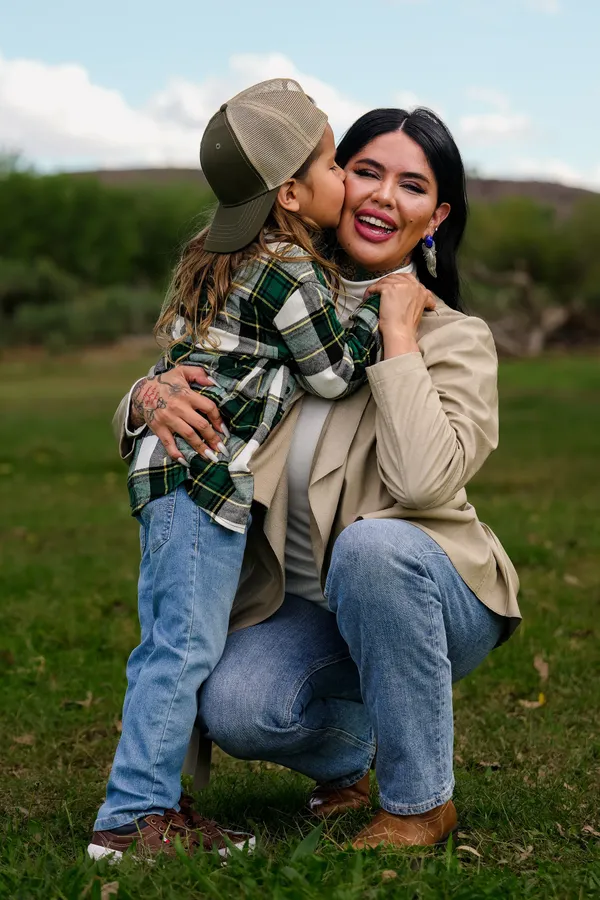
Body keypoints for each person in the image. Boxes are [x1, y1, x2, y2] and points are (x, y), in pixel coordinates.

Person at [112, 105, 520, 851]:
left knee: (373, 548)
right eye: (363, 170)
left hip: (433, 590)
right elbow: (202, 376)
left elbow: (425, 487)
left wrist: (398, 337)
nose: (381, 197)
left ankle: (419, 801)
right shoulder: (282, 301)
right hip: (308, 608)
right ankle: (354, 750)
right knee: (234, 703)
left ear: (436, 215)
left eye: (411, 184)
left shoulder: (455, 338)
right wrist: (143, 399)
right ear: (318, 187)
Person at [90, 79, 396, 863]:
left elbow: (186, 359)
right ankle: (133, 821)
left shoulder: (216, 256)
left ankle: (159, 804)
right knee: (179, 648)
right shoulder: (288, 271)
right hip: (202, 478)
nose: (347, 178)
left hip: (173, 475)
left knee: (175, 640)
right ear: (292, 192)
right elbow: (332, 372)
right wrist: (383, 307)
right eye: (333, 162)